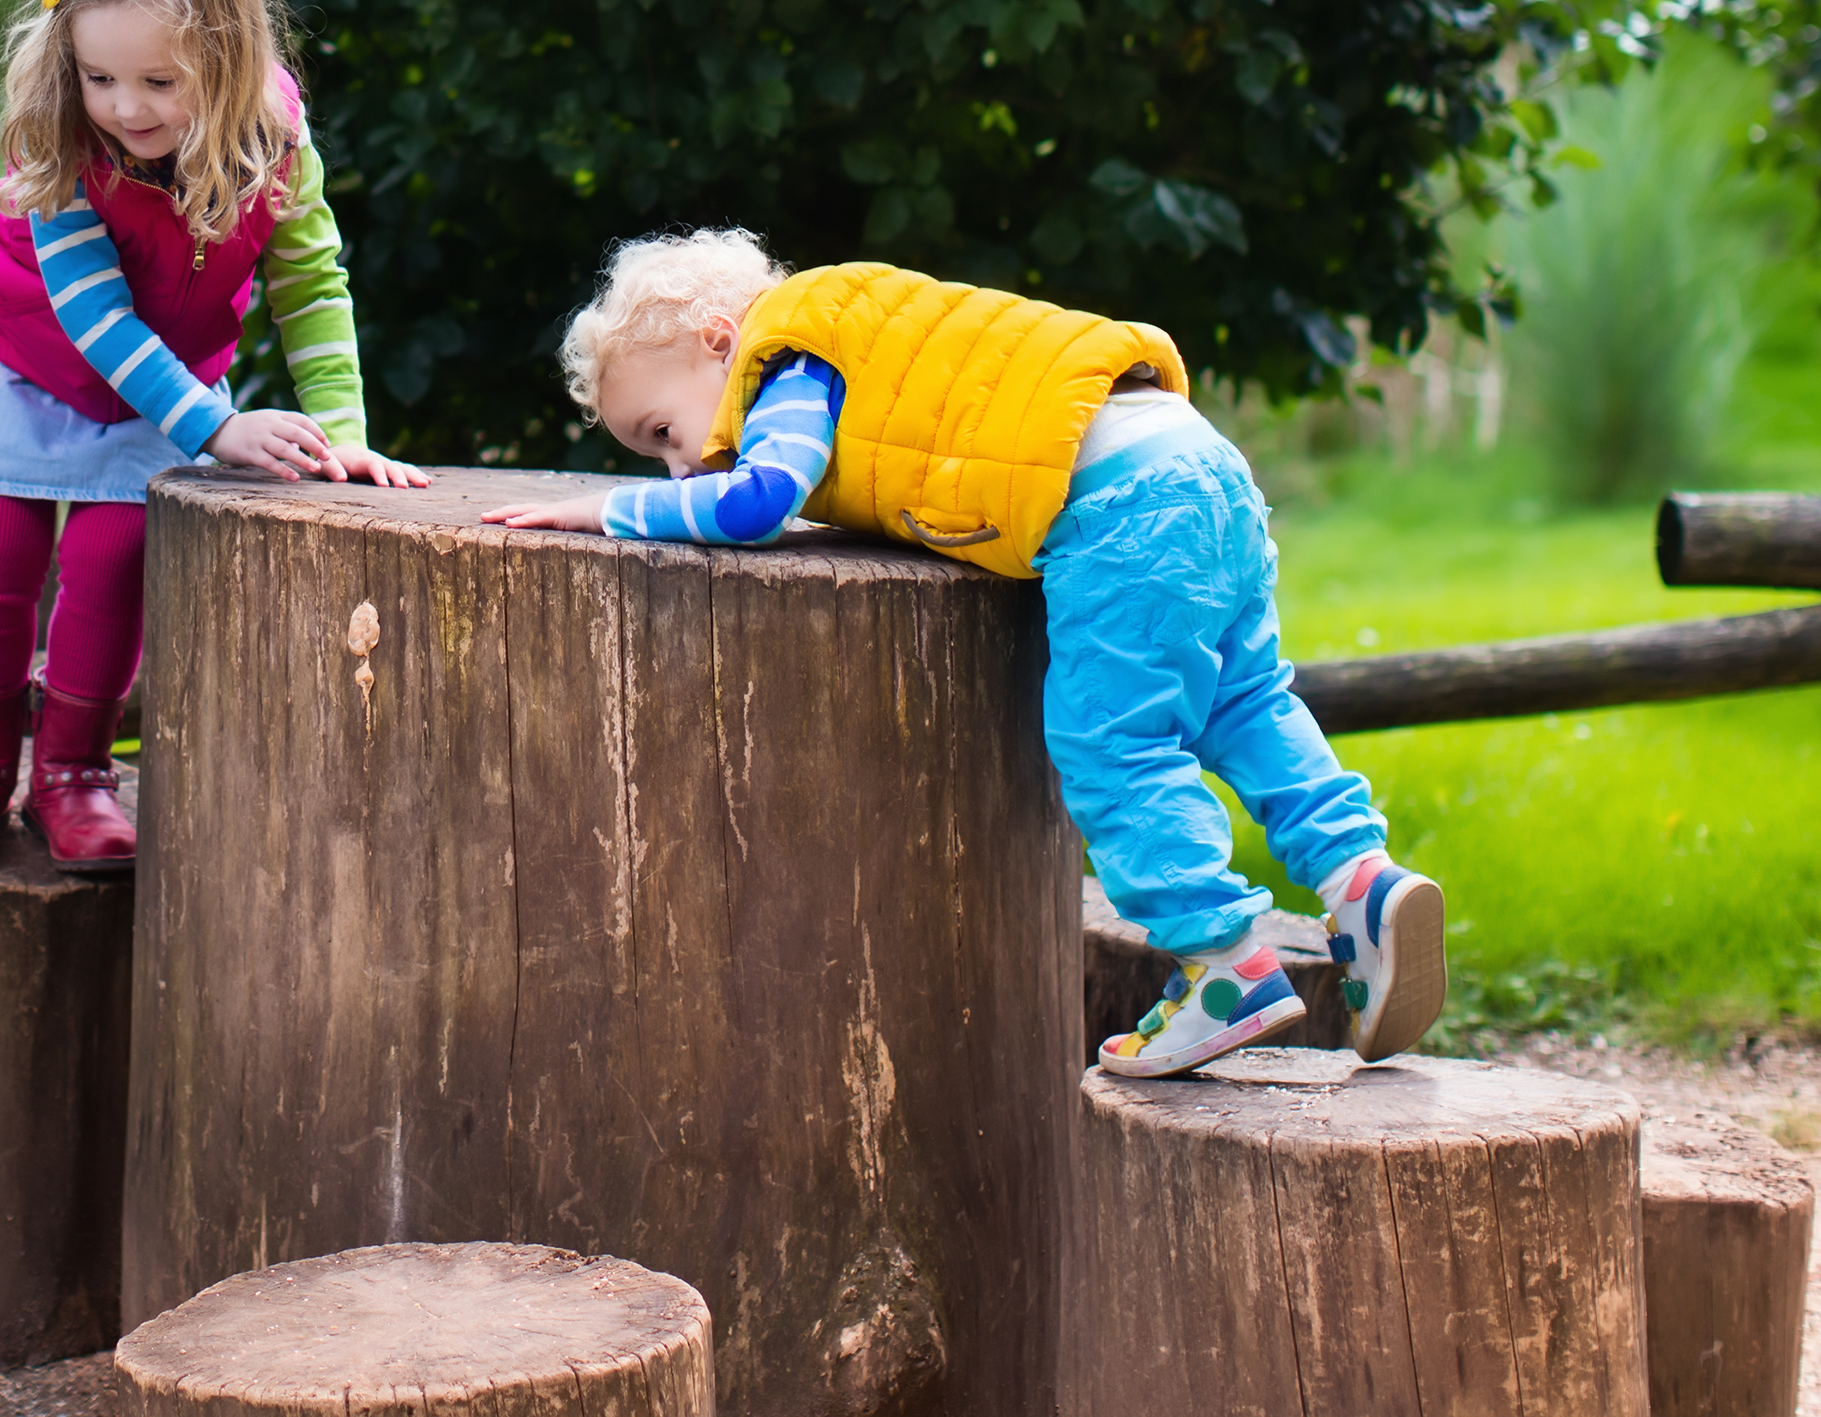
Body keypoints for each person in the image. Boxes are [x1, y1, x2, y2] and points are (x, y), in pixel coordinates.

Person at [479, 229, 1443, 1077]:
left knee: (1111, 746)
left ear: (717, 344)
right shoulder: (860, 326)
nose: (678, 464)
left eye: (660, 432)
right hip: (1198, 462)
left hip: (1115, 501)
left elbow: (757, 500)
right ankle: (1359, 883)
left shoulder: (790, 359)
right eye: (650, 459)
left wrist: (613, 509)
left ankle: (1220, 959)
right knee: (1244, 701)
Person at [0, 0, 427, 871]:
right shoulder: (55, 136)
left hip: (168, 386)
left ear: (228, 58)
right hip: (26, 364)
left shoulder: (273, 140)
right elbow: (95, 319)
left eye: (158, 82)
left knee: (112, 565)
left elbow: (310, 281)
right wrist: (216, 429)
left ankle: (73, 773)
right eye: (99, 76)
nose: (123, 108)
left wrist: (343, 429)